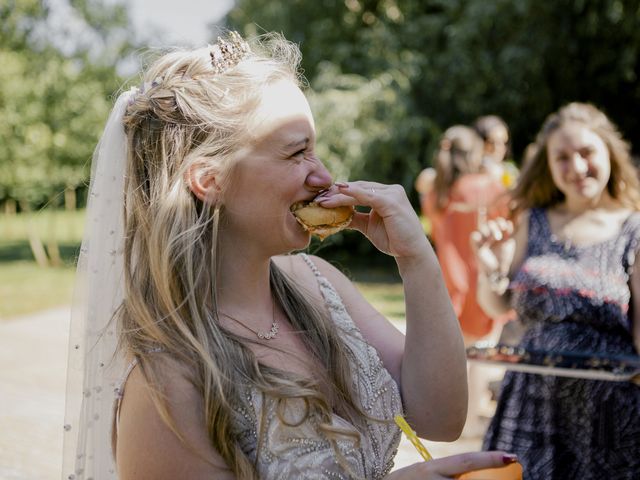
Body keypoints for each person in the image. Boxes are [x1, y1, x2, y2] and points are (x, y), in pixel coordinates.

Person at [61, 32, 519, 479]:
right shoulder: (167, 384)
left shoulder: (317, 283)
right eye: (297, 152)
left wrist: (416, 257)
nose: (323, 176)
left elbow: (440, 417)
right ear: (209, 180)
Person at [472, 102, 640, 479]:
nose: (577, 167)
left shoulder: (634, 229)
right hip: (530, 407)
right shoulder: (533, 221)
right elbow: (498, 304)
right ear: (548, 165)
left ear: (609, 153)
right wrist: (489, 269)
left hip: (609, 418)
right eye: (562, 157)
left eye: (586, 152)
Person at [473, 115, 519, 188]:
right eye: (491, 142)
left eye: (504, 142)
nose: (498, 148)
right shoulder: (471, 171)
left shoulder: (510, 170)